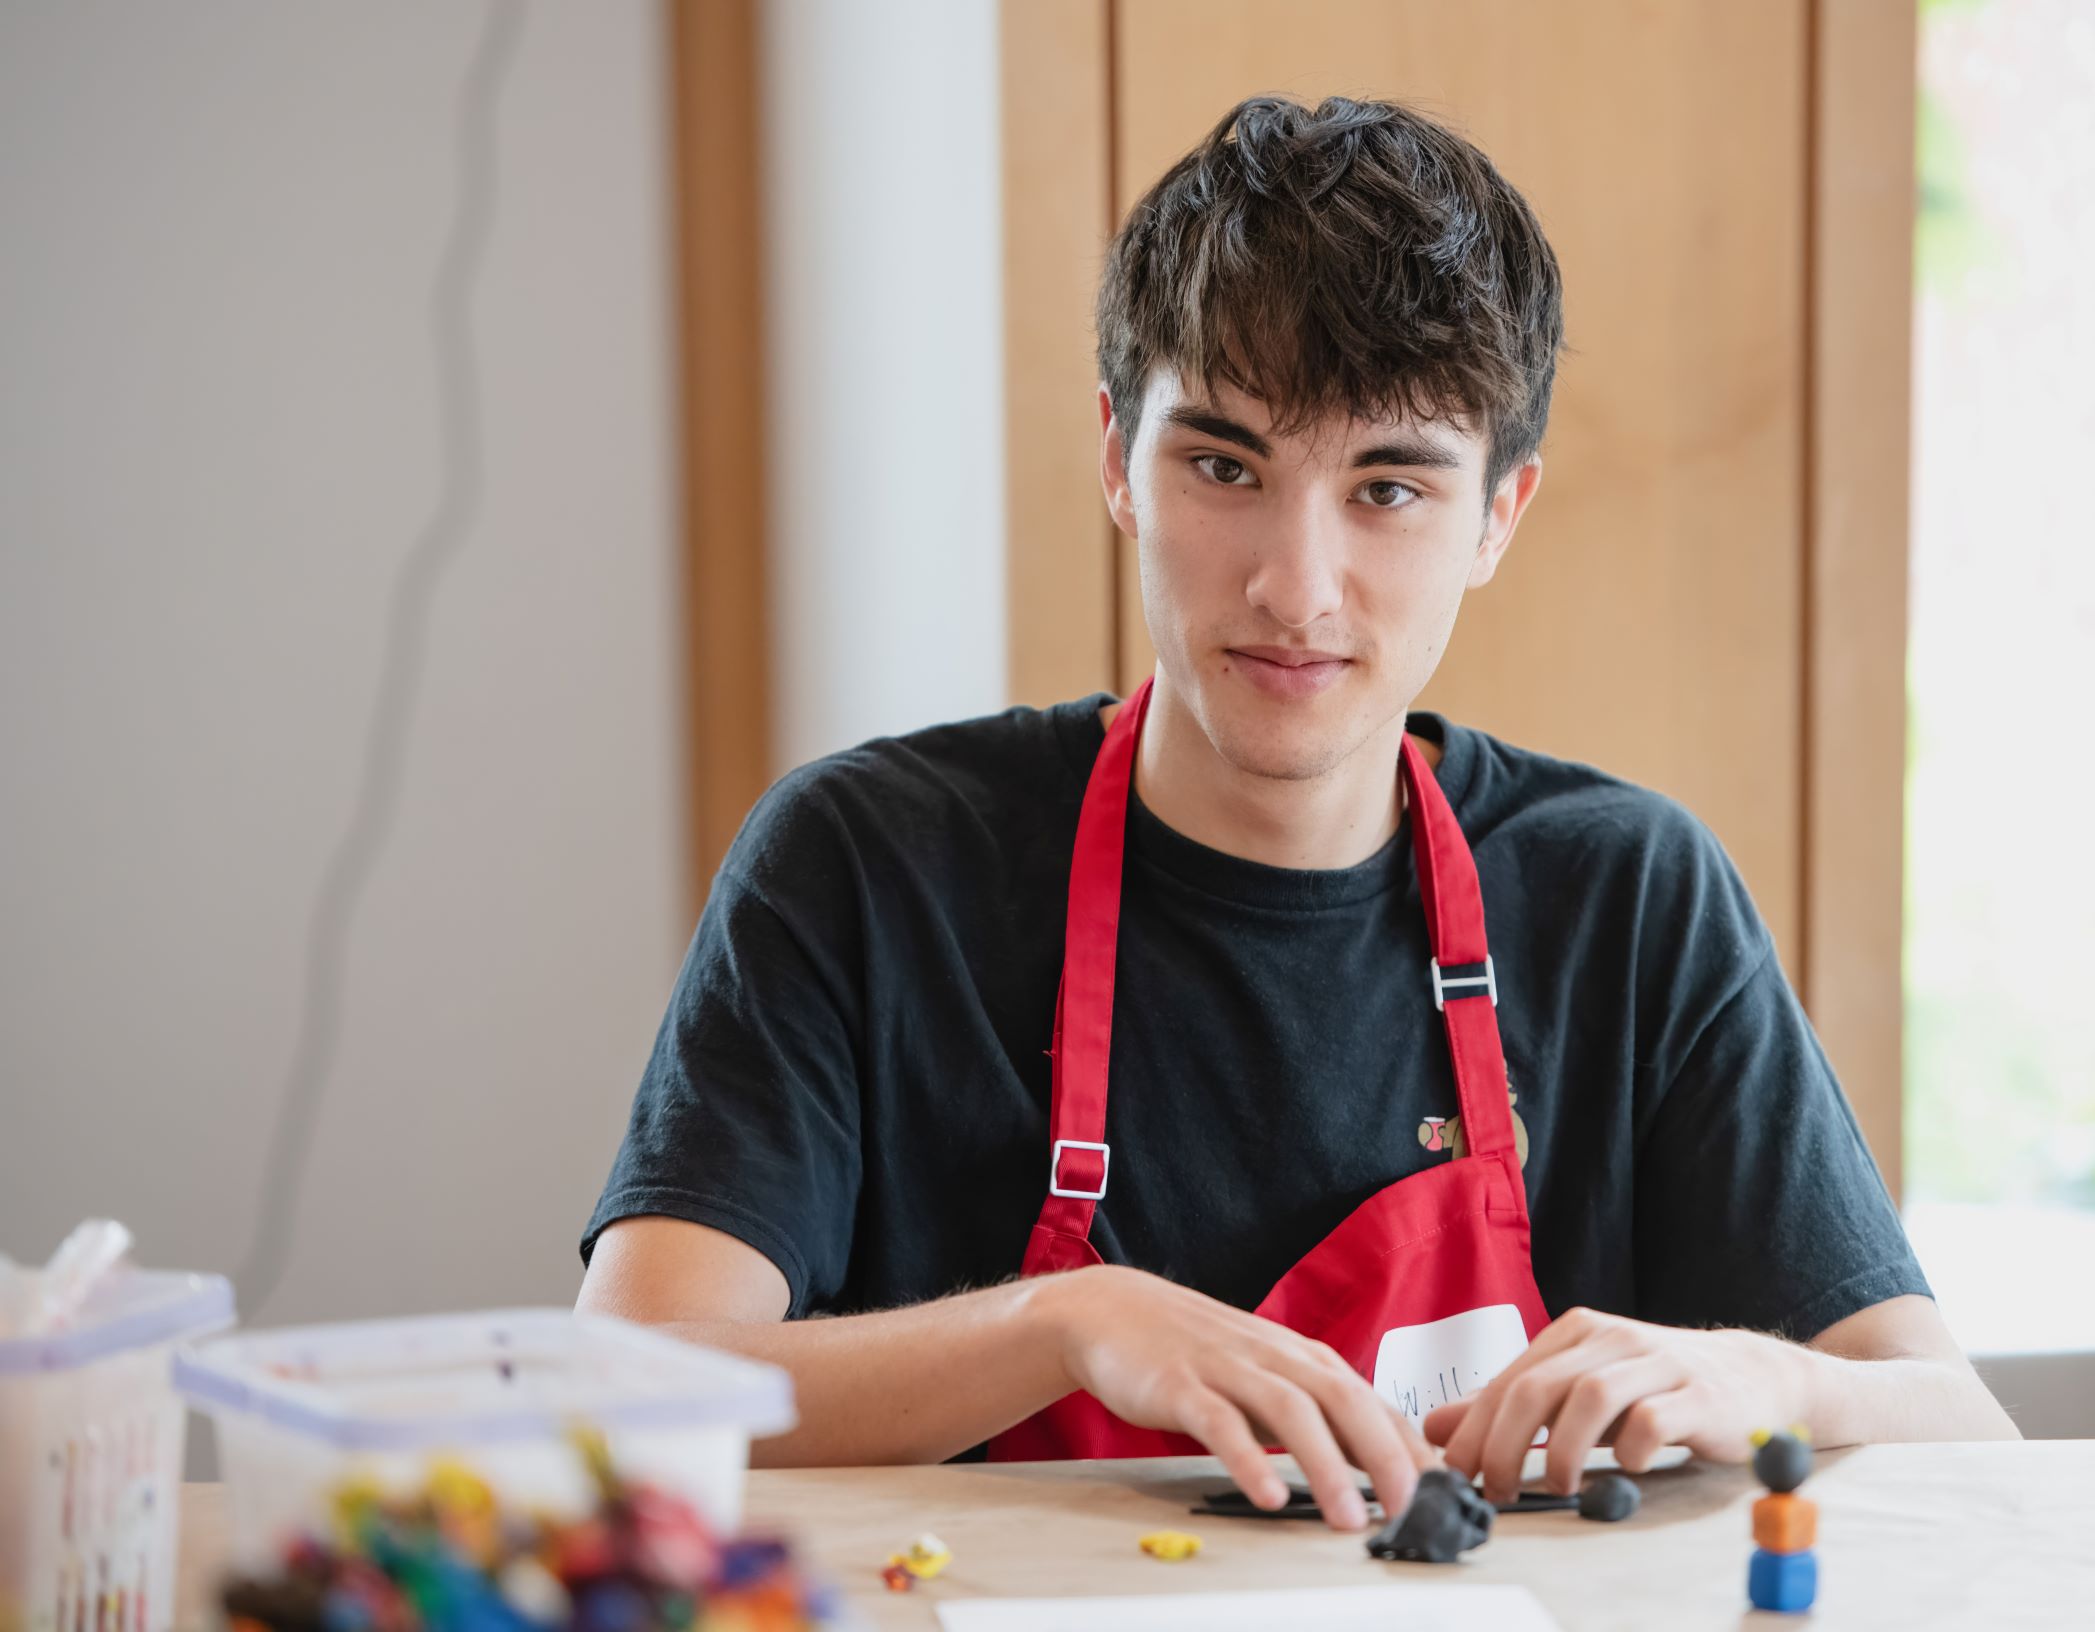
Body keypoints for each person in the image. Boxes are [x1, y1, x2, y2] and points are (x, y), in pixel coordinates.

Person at [576, 94, 2017, 1533]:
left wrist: (1749, 1376)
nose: (1296, 586)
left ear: (1499, 516)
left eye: (1387, 487)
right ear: (1114, 459)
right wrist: (1061, 1327)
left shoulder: (1623, 894)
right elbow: (625, 1400)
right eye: (1223, 467)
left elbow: (1958, 1426)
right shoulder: (867, 865)